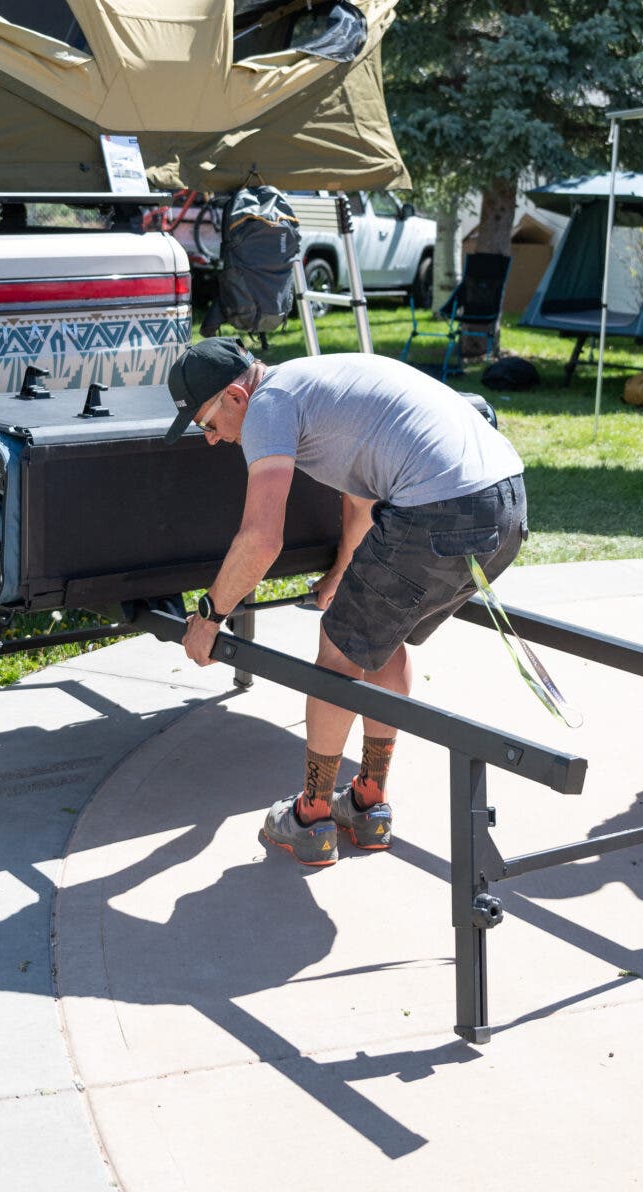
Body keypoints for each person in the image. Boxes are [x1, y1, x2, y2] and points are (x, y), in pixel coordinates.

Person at [167, 338, 528, 866]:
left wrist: (209, 615)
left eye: (207, 423)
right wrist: (342, 573)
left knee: (338, 651)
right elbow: (362, 497)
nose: (211, 439)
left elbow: (261, 539)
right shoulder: (316, 382)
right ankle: (367, 803)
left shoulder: (269, 406)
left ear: (236, 396)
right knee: (381, 638)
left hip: (439, 507)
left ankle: (311, 816)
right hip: (506, 502)